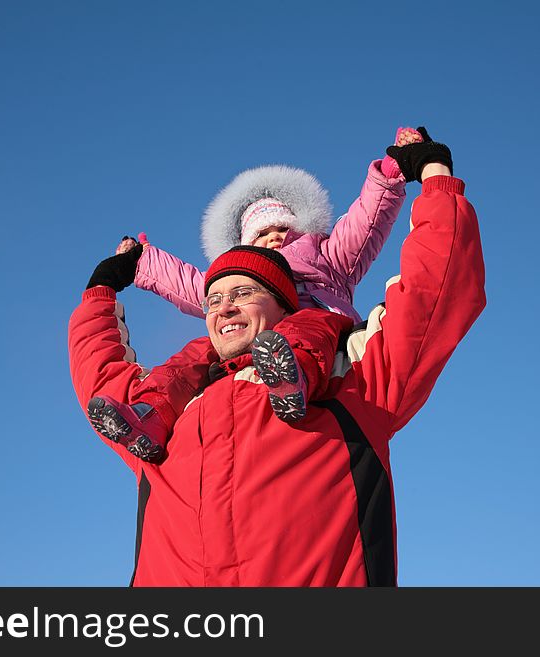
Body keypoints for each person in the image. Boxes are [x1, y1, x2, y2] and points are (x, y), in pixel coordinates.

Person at [68, 131, 486, 586]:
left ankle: (292, 378)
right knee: (185, 362)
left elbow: (401, 260)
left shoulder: (352, 365)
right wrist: (124, 273)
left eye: (244, 293)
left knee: (308, 331)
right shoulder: (175, 425)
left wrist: (405, 174)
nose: (225, 306)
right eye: (217, 300)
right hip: (227, 377)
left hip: (315, 351)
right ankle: (150, 408)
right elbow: (176, 297)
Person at [83, 127, 427, 461]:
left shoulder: (326, 257)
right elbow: (190, 286)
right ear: (248, 243)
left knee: (306, 323)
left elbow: (366, 222)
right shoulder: (241, 275)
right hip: (252, 341)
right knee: (195, 354)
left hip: (317, 335)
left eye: (283, 228)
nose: (276, 237)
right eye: (264, 233)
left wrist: (389, 172)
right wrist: (142, 261)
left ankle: (293, 379)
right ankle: (150, 413)